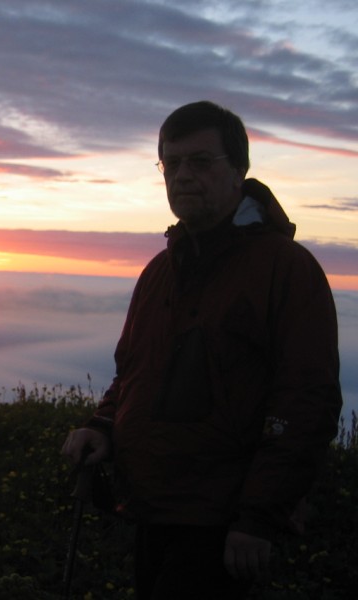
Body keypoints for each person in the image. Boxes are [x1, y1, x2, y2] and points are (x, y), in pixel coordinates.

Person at [61, 101, 342, 599]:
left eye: (200, 161)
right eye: (171, 163)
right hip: (152, 509)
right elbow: (133, 374)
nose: (183, 175)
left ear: (238, 170)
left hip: (223, 523)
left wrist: (259, 518)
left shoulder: (286, 269)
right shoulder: (160, 271)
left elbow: (306, 401)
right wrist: (101, 425)